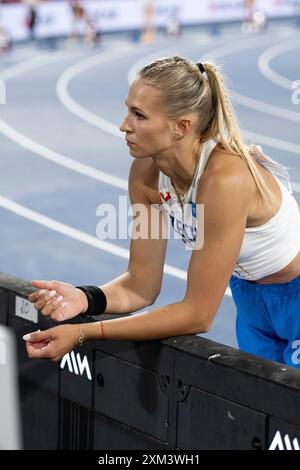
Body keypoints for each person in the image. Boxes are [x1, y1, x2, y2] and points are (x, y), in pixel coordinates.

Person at [24, 57, 300, 368]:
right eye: (128, 109)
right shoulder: (146, 174)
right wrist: (85, 297)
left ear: (182, 126)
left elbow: (198, 314)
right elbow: (141, 284)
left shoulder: (225, 179)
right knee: (269, 408)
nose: (123, 125)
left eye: (139, 115)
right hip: (251, 299)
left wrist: (84, 332)